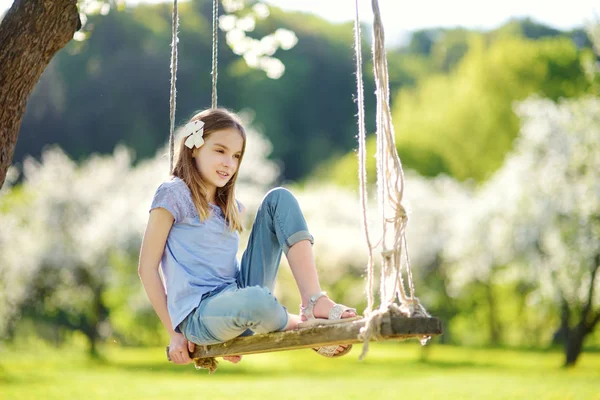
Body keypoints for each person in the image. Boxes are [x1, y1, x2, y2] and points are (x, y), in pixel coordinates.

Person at [138, 108, 359, 365]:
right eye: (220, 151)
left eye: (236, 156)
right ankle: (302, 327)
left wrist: (233, 323)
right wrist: (175, 333)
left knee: (280, 198)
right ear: (194, 148)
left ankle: (313, 301)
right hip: (200, 314)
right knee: (256, 300)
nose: (228, 163)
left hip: (237, 302)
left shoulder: (231, 207)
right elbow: (146, 268)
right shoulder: (173, 194)